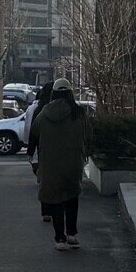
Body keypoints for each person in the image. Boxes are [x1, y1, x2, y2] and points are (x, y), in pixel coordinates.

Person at [31, 78, 90, 250]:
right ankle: (71, 233)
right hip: (73, 162)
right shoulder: (79, 113)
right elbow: (88, 134)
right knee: (72, 196)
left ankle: (60, 238)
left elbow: (34, 131)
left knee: (54, 199)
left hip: (50, 163)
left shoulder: (44, 112)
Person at [26, 81, 56, 220]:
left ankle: (46, 211)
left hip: (42, 150)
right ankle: (57, 209)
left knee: (45, 182)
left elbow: (33, 131)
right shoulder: (62, 108)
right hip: (59, 150)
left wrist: (30, 151)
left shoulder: (39, 109)